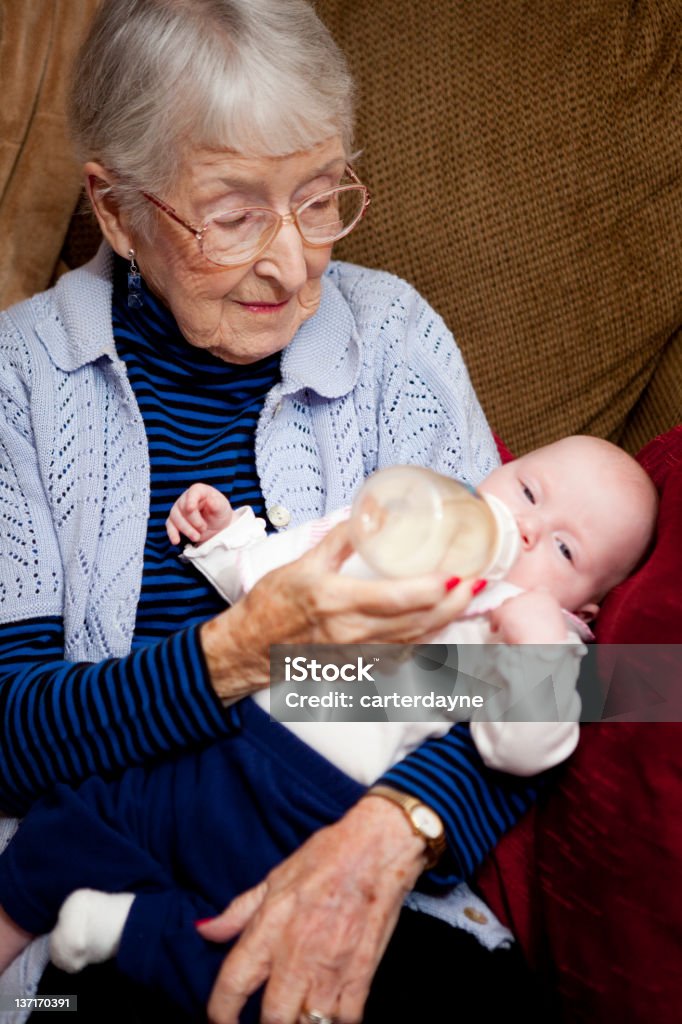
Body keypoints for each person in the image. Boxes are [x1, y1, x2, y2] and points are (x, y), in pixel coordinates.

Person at [0, 1, 568, 1021]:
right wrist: (246, 649)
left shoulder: (393, 338)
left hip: (374, 876)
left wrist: (396, 828)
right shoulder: (20, 382)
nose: (293, 261)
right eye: (232, 215)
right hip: (104, 897)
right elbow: (7, 729)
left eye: (318, 198)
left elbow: (544, 674)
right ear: (119, 211)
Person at [0, 436, 657, 1021]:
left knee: (264, 948)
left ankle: (140, 928)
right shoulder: (418, 529)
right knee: (78, 822)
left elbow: (524, 752)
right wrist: (229, 541)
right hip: (214, 742)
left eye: (566, 549)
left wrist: (534, 652)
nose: (526, 529)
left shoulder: (539, 633)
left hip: (311, 815)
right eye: (527, 491)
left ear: (585, 606)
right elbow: (280, 583)